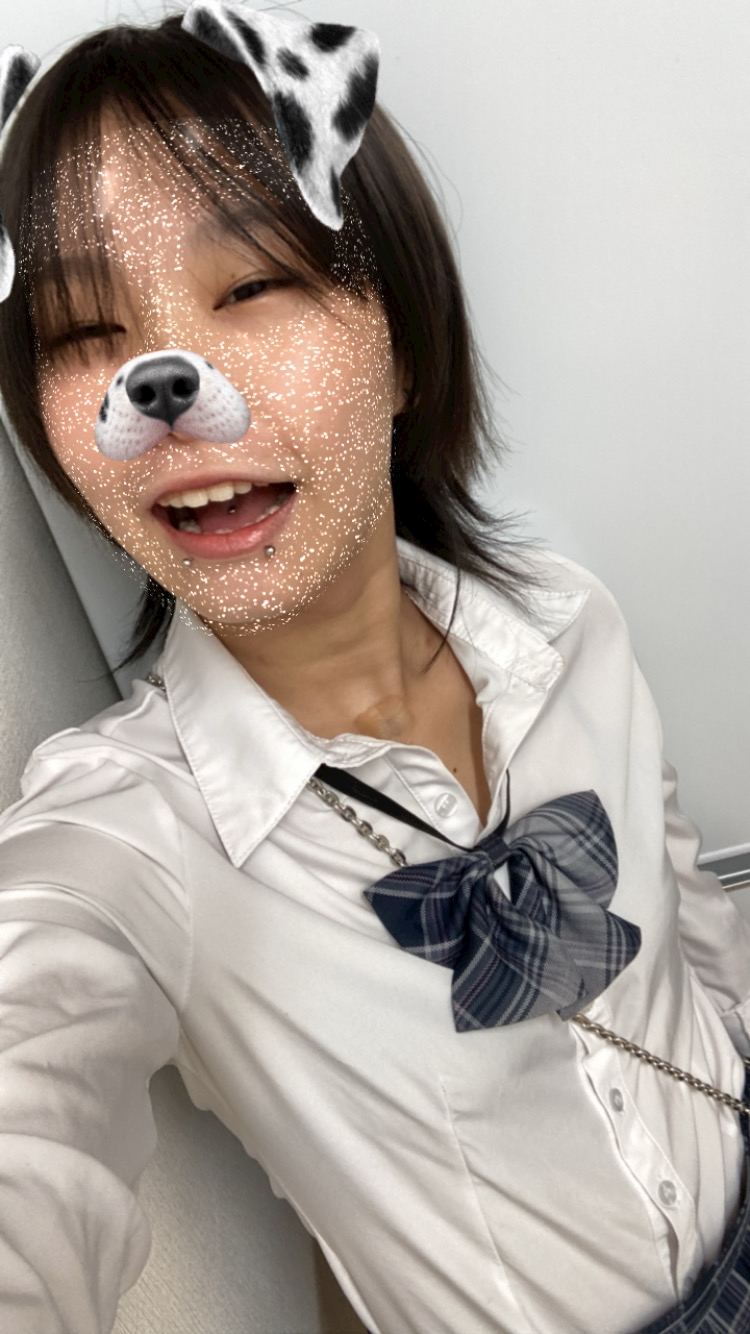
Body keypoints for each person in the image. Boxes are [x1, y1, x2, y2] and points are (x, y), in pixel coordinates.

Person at [0, 10, 749, 1334]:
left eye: (249, 287)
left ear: (398, 343)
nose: (169, 383)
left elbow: (695, 924)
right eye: (85, 332)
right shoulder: (127, 840)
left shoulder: (567, 622)